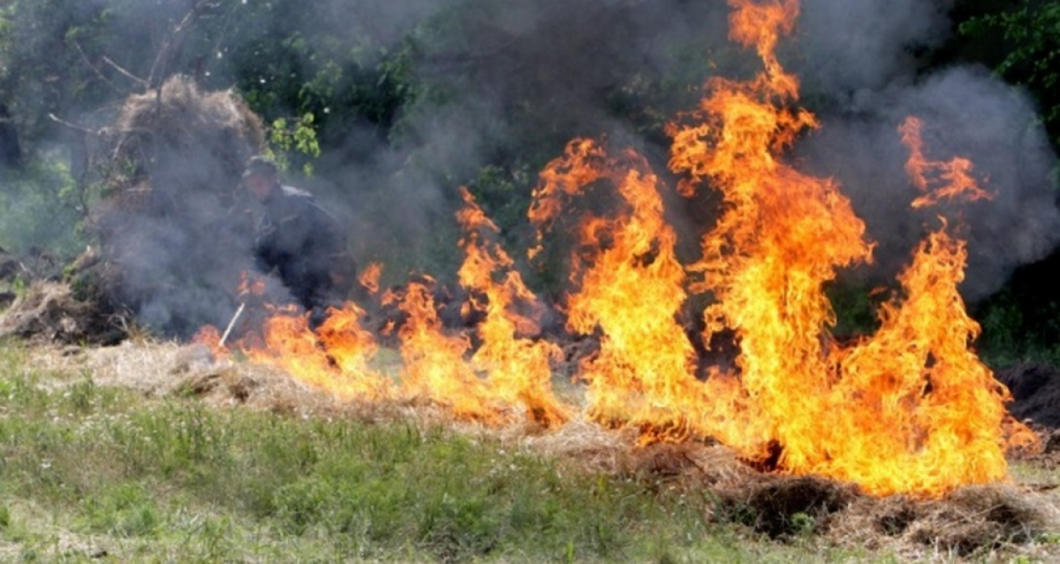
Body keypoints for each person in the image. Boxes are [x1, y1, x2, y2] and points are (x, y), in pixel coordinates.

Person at [241, 155, 356, 327]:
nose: (257, 191)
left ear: (273, 178)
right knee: (298, 330)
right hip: (297, 285)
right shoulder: (267, 220)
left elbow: (333, 228)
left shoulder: (297, 201)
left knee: (324, 327)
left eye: (260, 184)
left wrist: (336, 263)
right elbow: (263, 255)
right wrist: (253, 279)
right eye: (253, 187)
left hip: (322, 277)